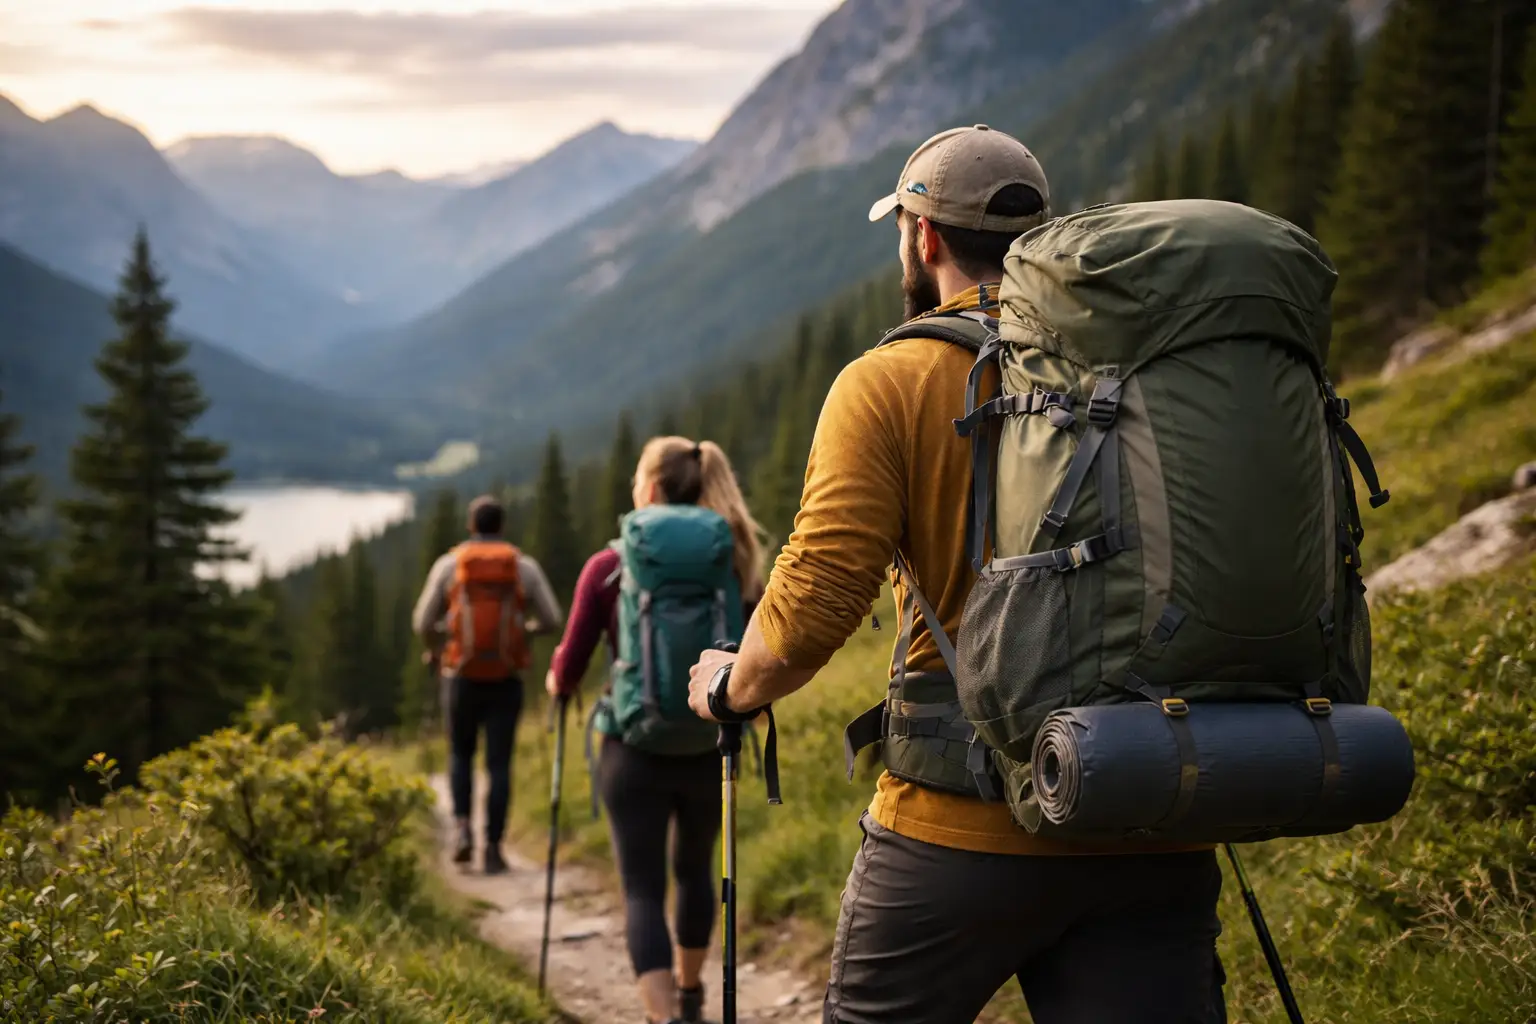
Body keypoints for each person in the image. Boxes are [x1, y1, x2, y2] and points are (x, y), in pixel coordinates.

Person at [687, 125, 1227, 1024]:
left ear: (923, 237)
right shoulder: (1133, 367)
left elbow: (816, 594)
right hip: (1145, 812)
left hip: (958, 829)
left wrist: (730, 690)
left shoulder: (892, 379)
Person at [547, 437, 767, 1024]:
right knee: (696, 870)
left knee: (641, 889)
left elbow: (569, 661)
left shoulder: (609, 565)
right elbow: (762, 650)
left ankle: (662, 1016)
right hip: (711, 743)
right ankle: (693, 998)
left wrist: (557, 683)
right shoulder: (739, 559)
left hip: (632, 747)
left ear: (648, 489)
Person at [412, 494, 564, 875]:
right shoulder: (522, 567)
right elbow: (552, 618)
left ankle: (462, 830)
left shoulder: (450, 564)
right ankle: (494, 848)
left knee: (460, 754)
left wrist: (441, 643)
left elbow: (421, 622)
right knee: (499, 763)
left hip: (460, 675)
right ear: (502, 526)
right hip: (506, 677)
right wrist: (523, 632)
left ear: (470, 525)